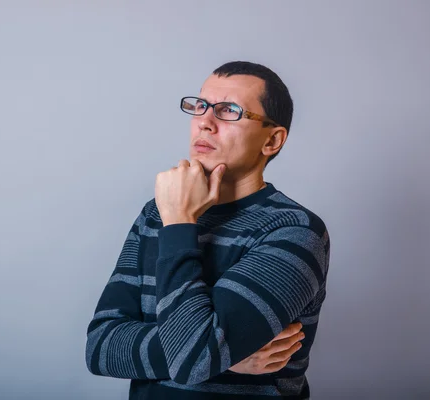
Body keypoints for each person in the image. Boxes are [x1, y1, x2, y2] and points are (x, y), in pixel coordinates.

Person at [85, 61, 330, 399]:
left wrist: (181, 221)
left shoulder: (295, 231)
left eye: (229, 110)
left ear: (272, 140)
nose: (204, 122)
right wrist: (225, 357)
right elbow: (100, 348)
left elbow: (194, 358)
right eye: (200, 106)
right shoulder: (159, 212)